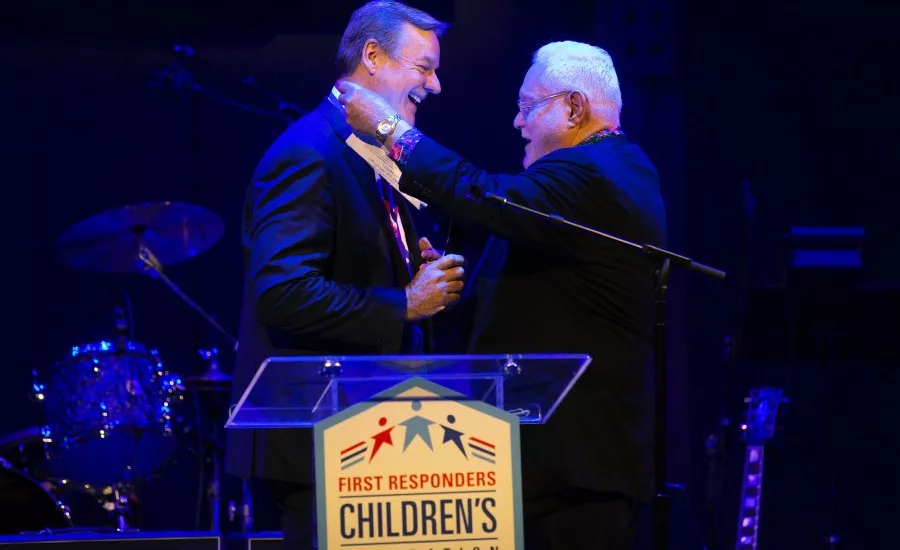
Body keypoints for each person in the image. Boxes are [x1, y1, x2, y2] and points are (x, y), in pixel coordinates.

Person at [338, 40, 667, 549]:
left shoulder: (599, 172)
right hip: (545, 470)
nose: (517, 122)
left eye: (527, 106)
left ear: (574, 108)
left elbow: (481, 195)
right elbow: (525, 264)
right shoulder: (594, 177)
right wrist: (450, 283)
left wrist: (387, 128)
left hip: (574, 477)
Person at [224, 2, 465, 548]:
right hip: (319, 437)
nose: (436, 85)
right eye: (424, 68)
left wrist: (414, 271)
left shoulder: (368, 151)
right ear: (372, 57)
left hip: (370, 435)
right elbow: (283, 292)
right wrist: (405, 302)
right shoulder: (308, 152)